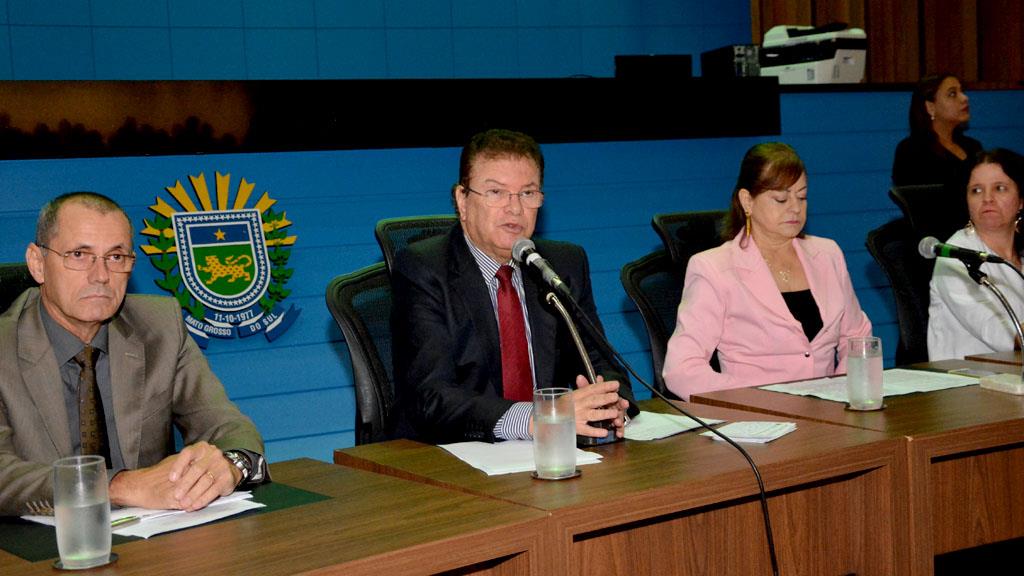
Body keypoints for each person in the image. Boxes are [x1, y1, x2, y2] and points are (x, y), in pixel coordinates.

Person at [0, 192, 268, 516]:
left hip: (153, 535)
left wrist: (230, 465)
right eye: (79, 255)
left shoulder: (160, 327)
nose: (100, 276)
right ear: (38, 263)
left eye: (115, 257)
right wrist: (120, 486)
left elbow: (226, 425)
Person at [391, 129, 637, 444]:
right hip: (448, 454)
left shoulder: (560, 265)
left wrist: (611, 402)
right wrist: (539, 418)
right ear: (462, 200)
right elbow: (432, 396)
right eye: (496, 192)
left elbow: (600, 361)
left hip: (548, 453)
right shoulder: (423, 269)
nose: (515, 209)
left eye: (528, 193)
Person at [663, 143, 872, 401]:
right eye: (781, 199)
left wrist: (841, 392)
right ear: (747, 201)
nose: (795, 208)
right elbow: (681, 370)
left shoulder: (828, 254)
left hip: (832, 411)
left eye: (802, 197)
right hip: (760, 416)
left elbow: (857, 337)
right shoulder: (714, 268)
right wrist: (757, 401)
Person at [928, 149, 1024, 360]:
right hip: (966, 376)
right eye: (976, 191)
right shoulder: (954, 255)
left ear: (1021, 201)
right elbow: (997, 330)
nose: (987, 198)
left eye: (1000, 188)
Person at [892, 74, 982, 238]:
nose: (964, 98)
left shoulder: (973, 147)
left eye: (962, 91)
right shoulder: (911, 151)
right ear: (930, 107)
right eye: (952, 94)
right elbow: (923, 207)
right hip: (939, 238)